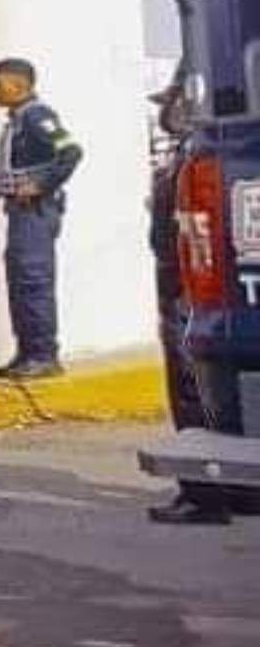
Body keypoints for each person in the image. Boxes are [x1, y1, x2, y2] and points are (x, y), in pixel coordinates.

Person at [145, 80, 234, 524]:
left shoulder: (199, 154)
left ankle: (206, 495)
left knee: (192, 390)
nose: (166, 111)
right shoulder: (185, 152)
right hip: (180, 285)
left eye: (172, 103)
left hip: (190, 289)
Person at [0, 58, 82, 380]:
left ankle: (43, 354)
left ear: (19, 85)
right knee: (19, 282)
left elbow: (71, 152)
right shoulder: (16, 120)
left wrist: (41, 184)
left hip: (36, 212)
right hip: (19, 212)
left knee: (33, 280)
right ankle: (26, 352)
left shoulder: (38, 116)